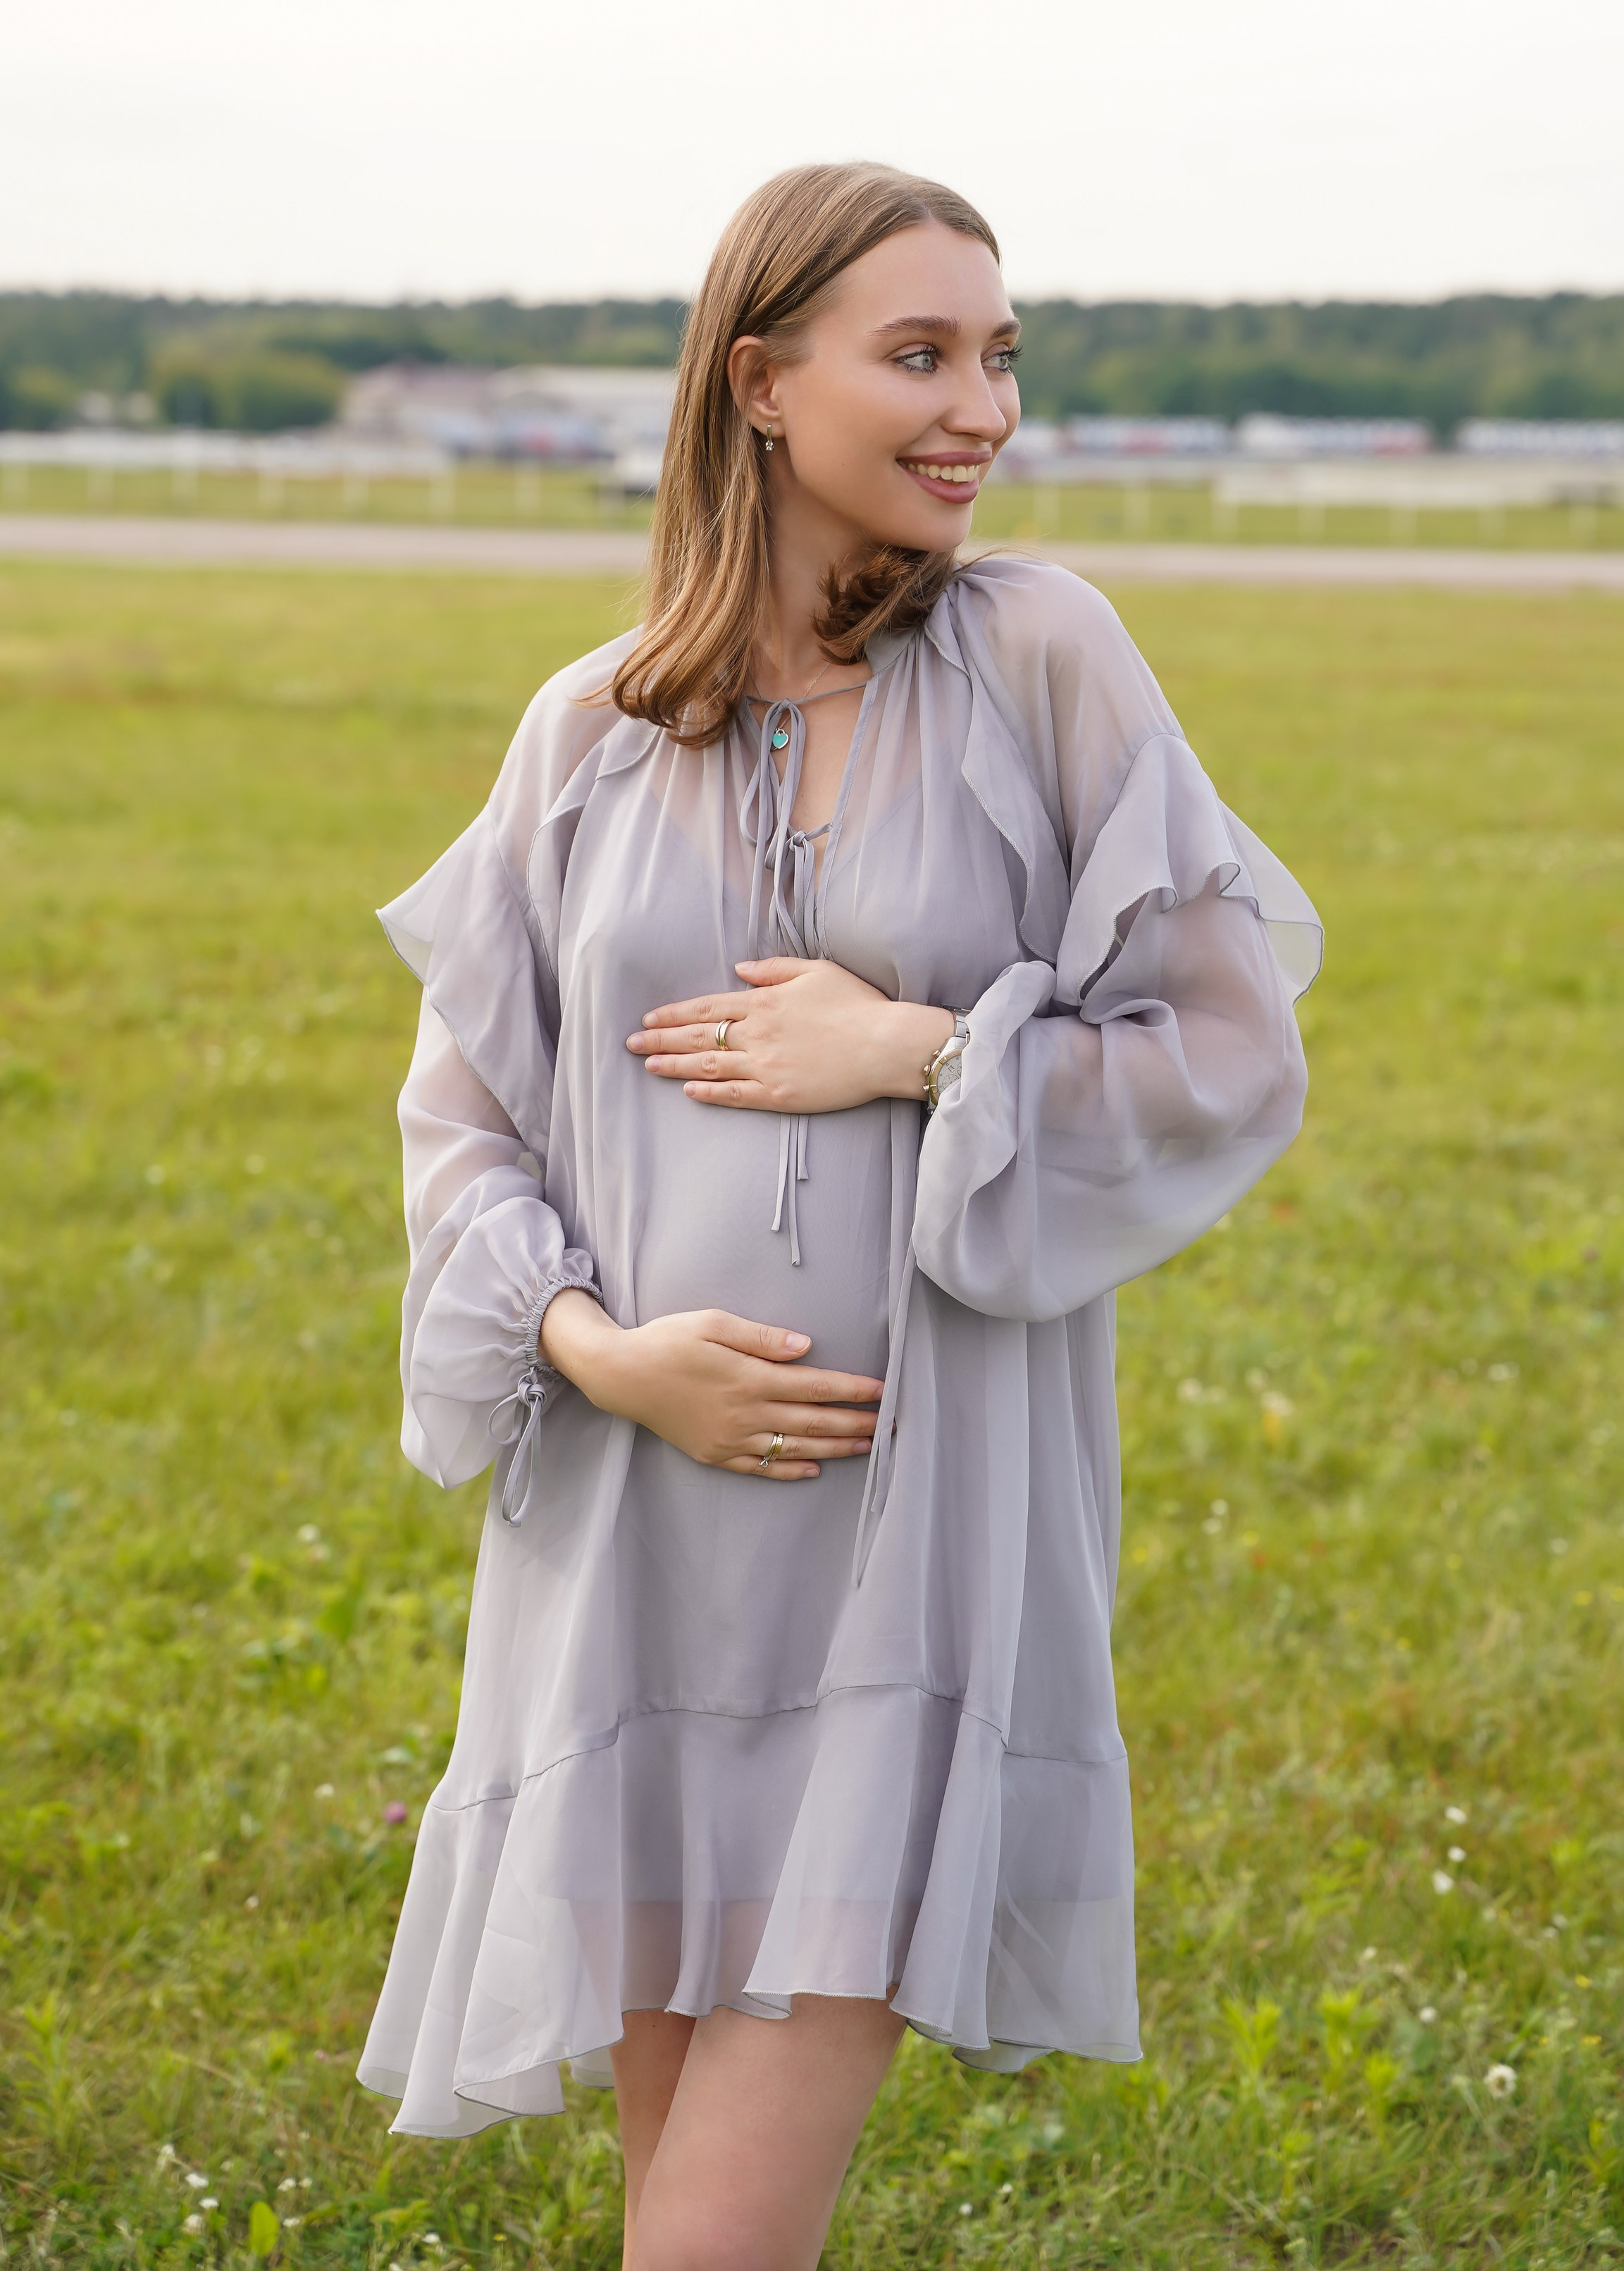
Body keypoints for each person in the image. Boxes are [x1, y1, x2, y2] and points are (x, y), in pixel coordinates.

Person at [357, 163, 1321, 2270]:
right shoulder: (587, 730)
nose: (978, 405)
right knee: (679, 2222)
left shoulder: (1039, 660)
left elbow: (1230, 1054)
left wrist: (916, 1054)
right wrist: (603, 1354)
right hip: (626, 1547)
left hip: (912, 1552)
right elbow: (465, 1125)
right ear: (760, 382)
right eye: (918, 355)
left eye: (997, 357)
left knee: (704, 2241)